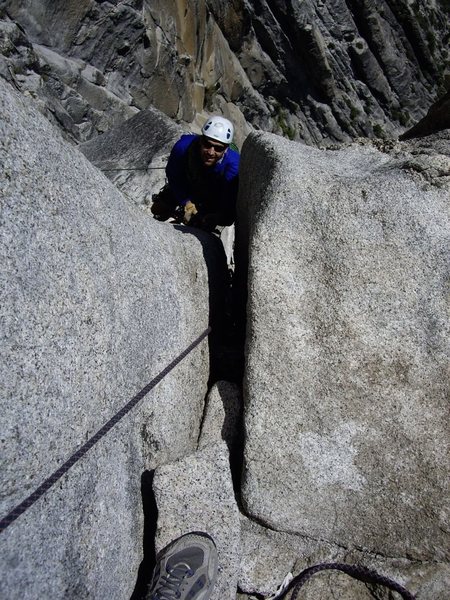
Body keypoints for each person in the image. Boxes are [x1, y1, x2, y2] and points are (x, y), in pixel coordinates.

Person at [151, 116, 240, 232]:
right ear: (201, 140)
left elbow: (229, 199)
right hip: (189, 183)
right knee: (157, 209)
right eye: (207, 144)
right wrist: (186, 201)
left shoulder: (234, 165)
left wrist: (216, 217)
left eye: (218, 148)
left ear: (226, 149)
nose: (211, 152)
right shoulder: (183, 147)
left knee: (203, 223)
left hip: (212, 195)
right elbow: (173, 174)